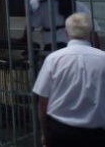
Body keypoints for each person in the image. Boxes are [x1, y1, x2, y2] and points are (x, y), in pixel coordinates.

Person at [32, 12, 105, 146]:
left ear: (66, 32)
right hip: (97, 132)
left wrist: (44, 132)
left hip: (60, 130)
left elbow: (42, 101)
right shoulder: (103, 59)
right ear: (90, 32)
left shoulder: (53, 59)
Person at [30, 0, 100, 51]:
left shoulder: (43, 7)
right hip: (75, 46)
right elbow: (93, 30)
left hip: (51, 46)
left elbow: (31, 26)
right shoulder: (80, 6)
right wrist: (97, 51)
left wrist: (24, 39)